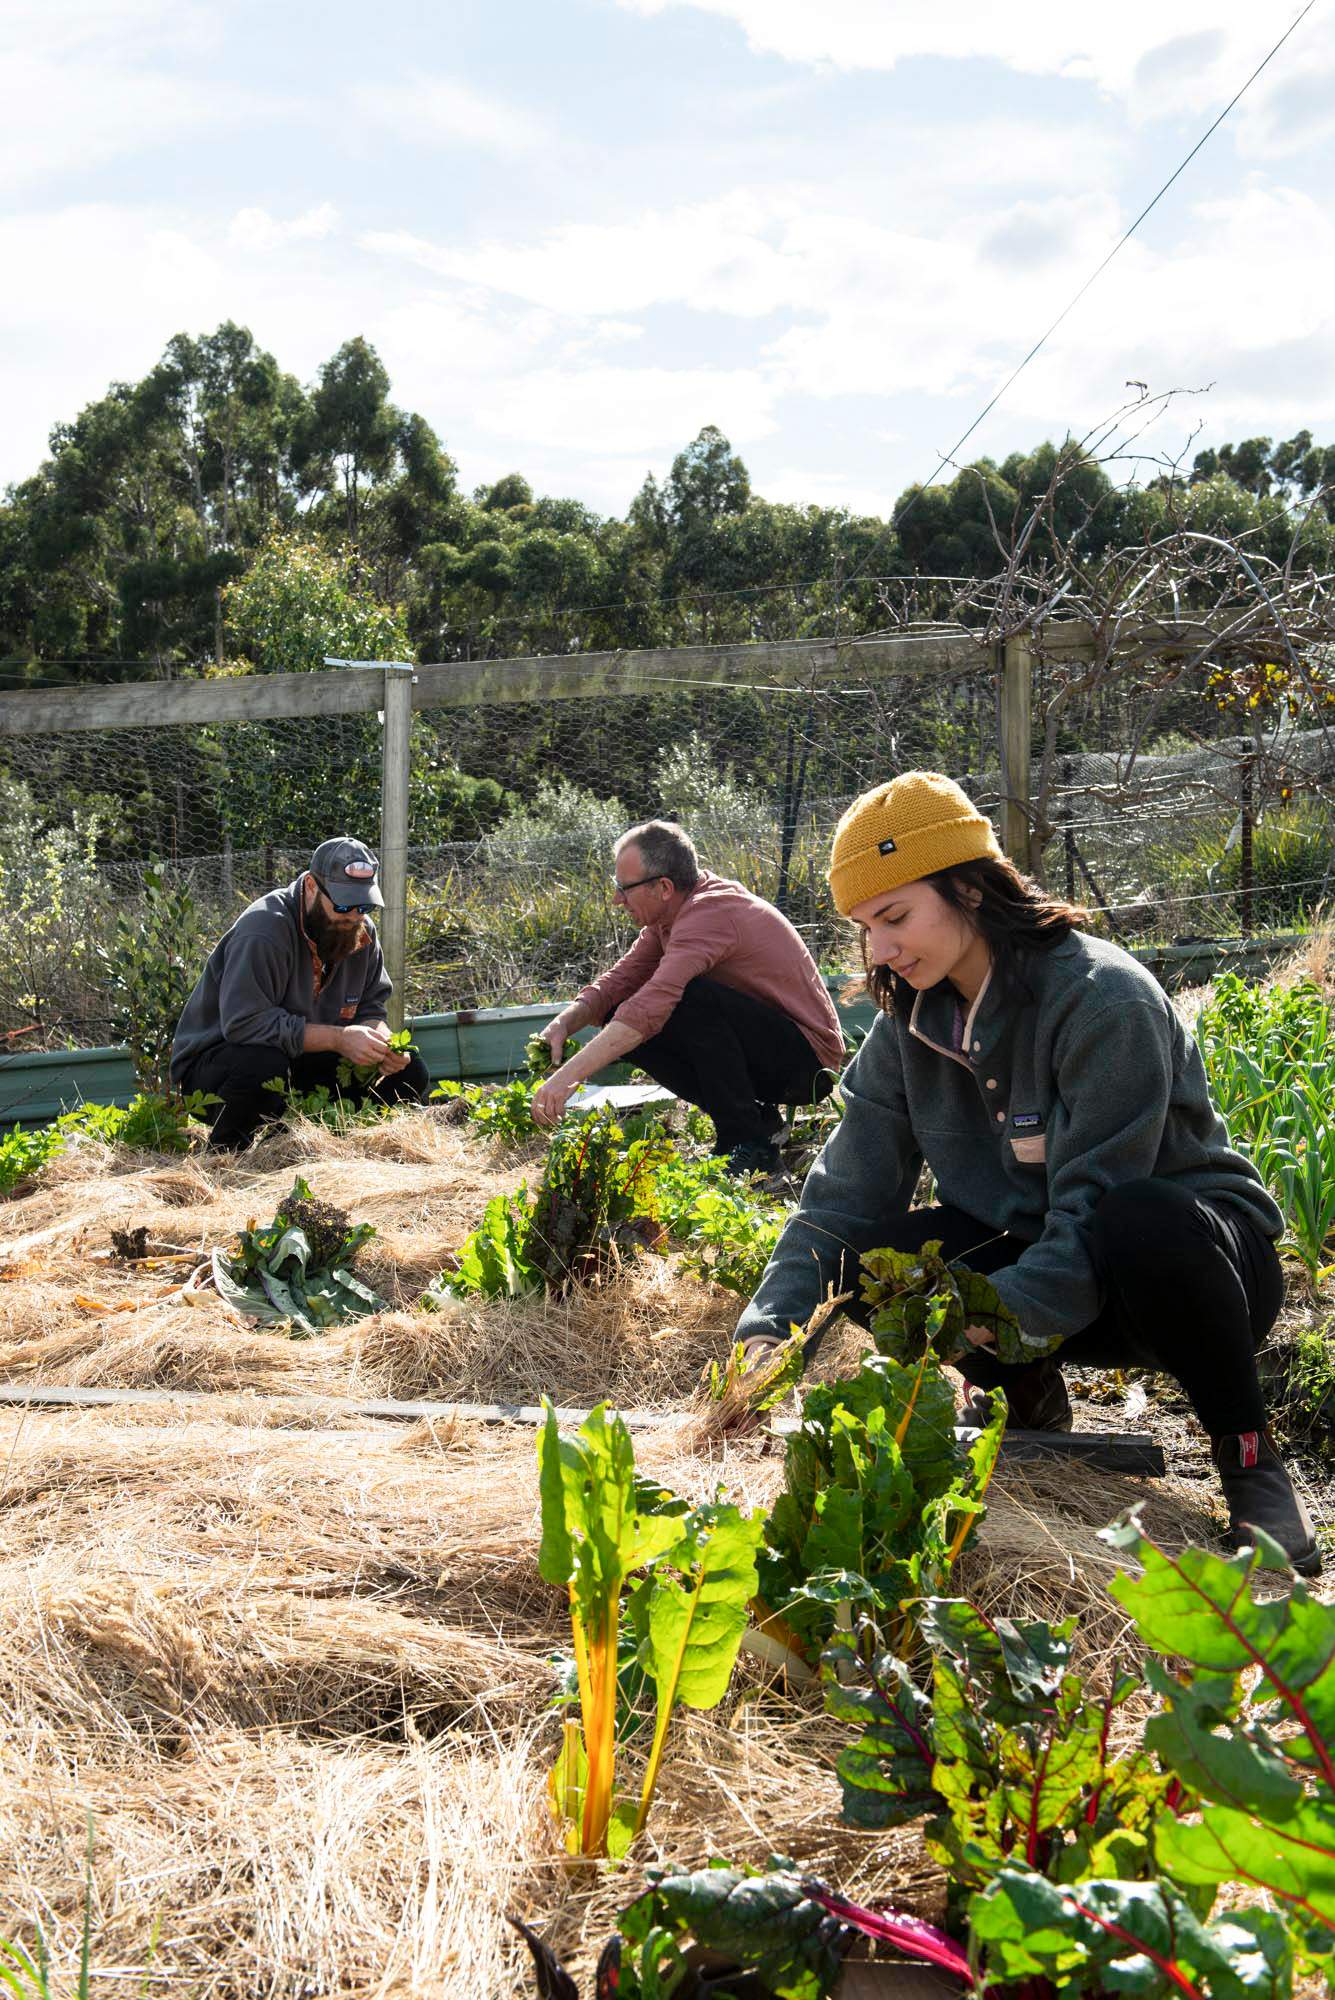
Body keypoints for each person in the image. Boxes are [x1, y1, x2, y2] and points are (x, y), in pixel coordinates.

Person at [734, 771, 1321, 1576]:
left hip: (1188, 1273)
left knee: (1140, 1216)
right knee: (859, 1264)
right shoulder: (910, 1022)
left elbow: (1093, 1207)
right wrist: (770, 1329)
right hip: (1048, 1272)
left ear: (971, 889)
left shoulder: (1101, 999)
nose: (881, 950)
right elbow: (843, 1190)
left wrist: (998, 1314)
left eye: (895, 917)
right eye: (865, 928)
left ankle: (1250, 1464)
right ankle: (1025, 1400)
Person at [532, 820, 845, 1174]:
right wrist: (562, 1025)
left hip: (808, 1065)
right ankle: (757, 1124)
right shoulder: (670, 917)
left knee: (684, 999)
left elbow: (651, 1005)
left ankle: (746, 1141)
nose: (617, 899)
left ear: (664, 887)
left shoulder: (709, 914)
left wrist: (568, 1078)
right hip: (773, 1053)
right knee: (622, 1010)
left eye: (624, 888)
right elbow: (618, 982)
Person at [171, 837, 429, 1148]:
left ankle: (321, 1148)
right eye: (344, 904)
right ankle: (226, 1155)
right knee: (265, 1065)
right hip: (219, 1066)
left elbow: (370, 1009)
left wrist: (383, 1044)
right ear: (310, 887)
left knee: (411, 1070)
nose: (354, 916)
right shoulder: (264, 930)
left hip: (301, 1060)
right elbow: (244, 1025)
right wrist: (338, 1038)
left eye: (365, 905)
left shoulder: (361, 931)